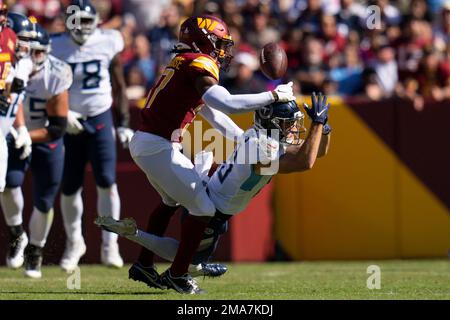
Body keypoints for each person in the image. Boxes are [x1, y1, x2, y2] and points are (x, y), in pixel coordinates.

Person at [125, 14, 295, 294]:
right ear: (203, 39)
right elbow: (226, 103)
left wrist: (241, 138)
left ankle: (144, 264)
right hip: (157, 146)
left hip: (150, 143)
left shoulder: (184, 62)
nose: (224, 51)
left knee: (170, 201)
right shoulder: (198, 63)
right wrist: (273, 96)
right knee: (203, 208)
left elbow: (213, 113)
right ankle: (178, 275)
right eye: (220, 43)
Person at [97, 92, 332, 294]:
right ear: (271, 122)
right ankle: (139, 238)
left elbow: (315, 153)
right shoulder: (263, 147)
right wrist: (317, 124)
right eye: (287, 122)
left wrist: (325, 129)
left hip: (218, 202)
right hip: (214, 210)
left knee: (191, 258)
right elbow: (305, 162)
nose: (292, 128)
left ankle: (150, 256)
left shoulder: (264, 138)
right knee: (188, 261)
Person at [50, 0, 133, 271]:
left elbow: (119, 83)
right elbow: (46, 87)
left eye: (87, 21)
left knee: (107, 181)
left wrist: (122, 122)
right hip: (70, 121)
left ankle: (111, 245)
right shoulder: (56, 45)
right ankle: (75, 242)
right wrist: (61, 113)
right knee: (70, 185)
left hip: (99, 116)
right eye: (78, 21)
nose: (82, 27)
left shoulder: (108, 41)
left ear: (96, 21)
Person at [1, 22, 71, 278]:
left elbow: (57, 128)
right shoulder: (11, 66)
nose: (33, 57)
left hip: (45, 137)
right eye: (28, 51)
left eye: (38, 52)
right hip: (14, 132)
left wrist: (27, 135)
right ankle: (17, 233)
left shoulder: (56, 73)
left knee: (43, 200)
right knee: (9, 183)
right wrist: (18, 131)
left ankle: (35, 251)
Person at [0, 10, 34, 269]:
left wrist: (20, 128)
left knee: (7, 189)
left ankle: (17, 235)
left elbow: (14, 100)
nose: (23, 44)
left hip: (3, 131)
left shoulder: (24, 62)